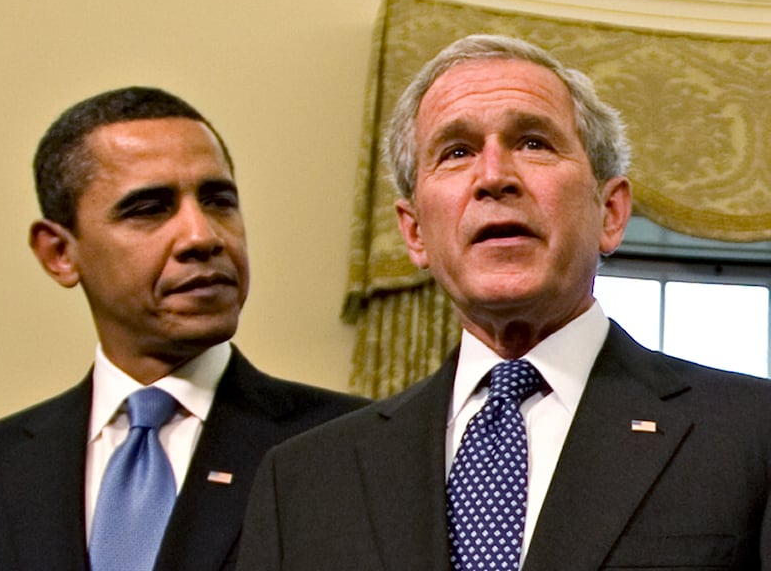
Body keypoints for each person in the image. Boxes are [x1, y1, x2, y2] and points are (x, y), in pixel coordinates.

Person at [235, 35, 771, 570]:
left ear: (610, 212)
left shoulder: (752, 434)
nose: (494, 177)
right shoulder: (303, 480)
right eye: (456, 152)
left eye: (534, 143)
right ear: (414, 232)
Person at [0, 87, 367, 571]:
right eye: (149, 209)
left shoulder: (355, 450)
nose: (202, 236)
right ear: (59, 253)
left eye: (219, 201)